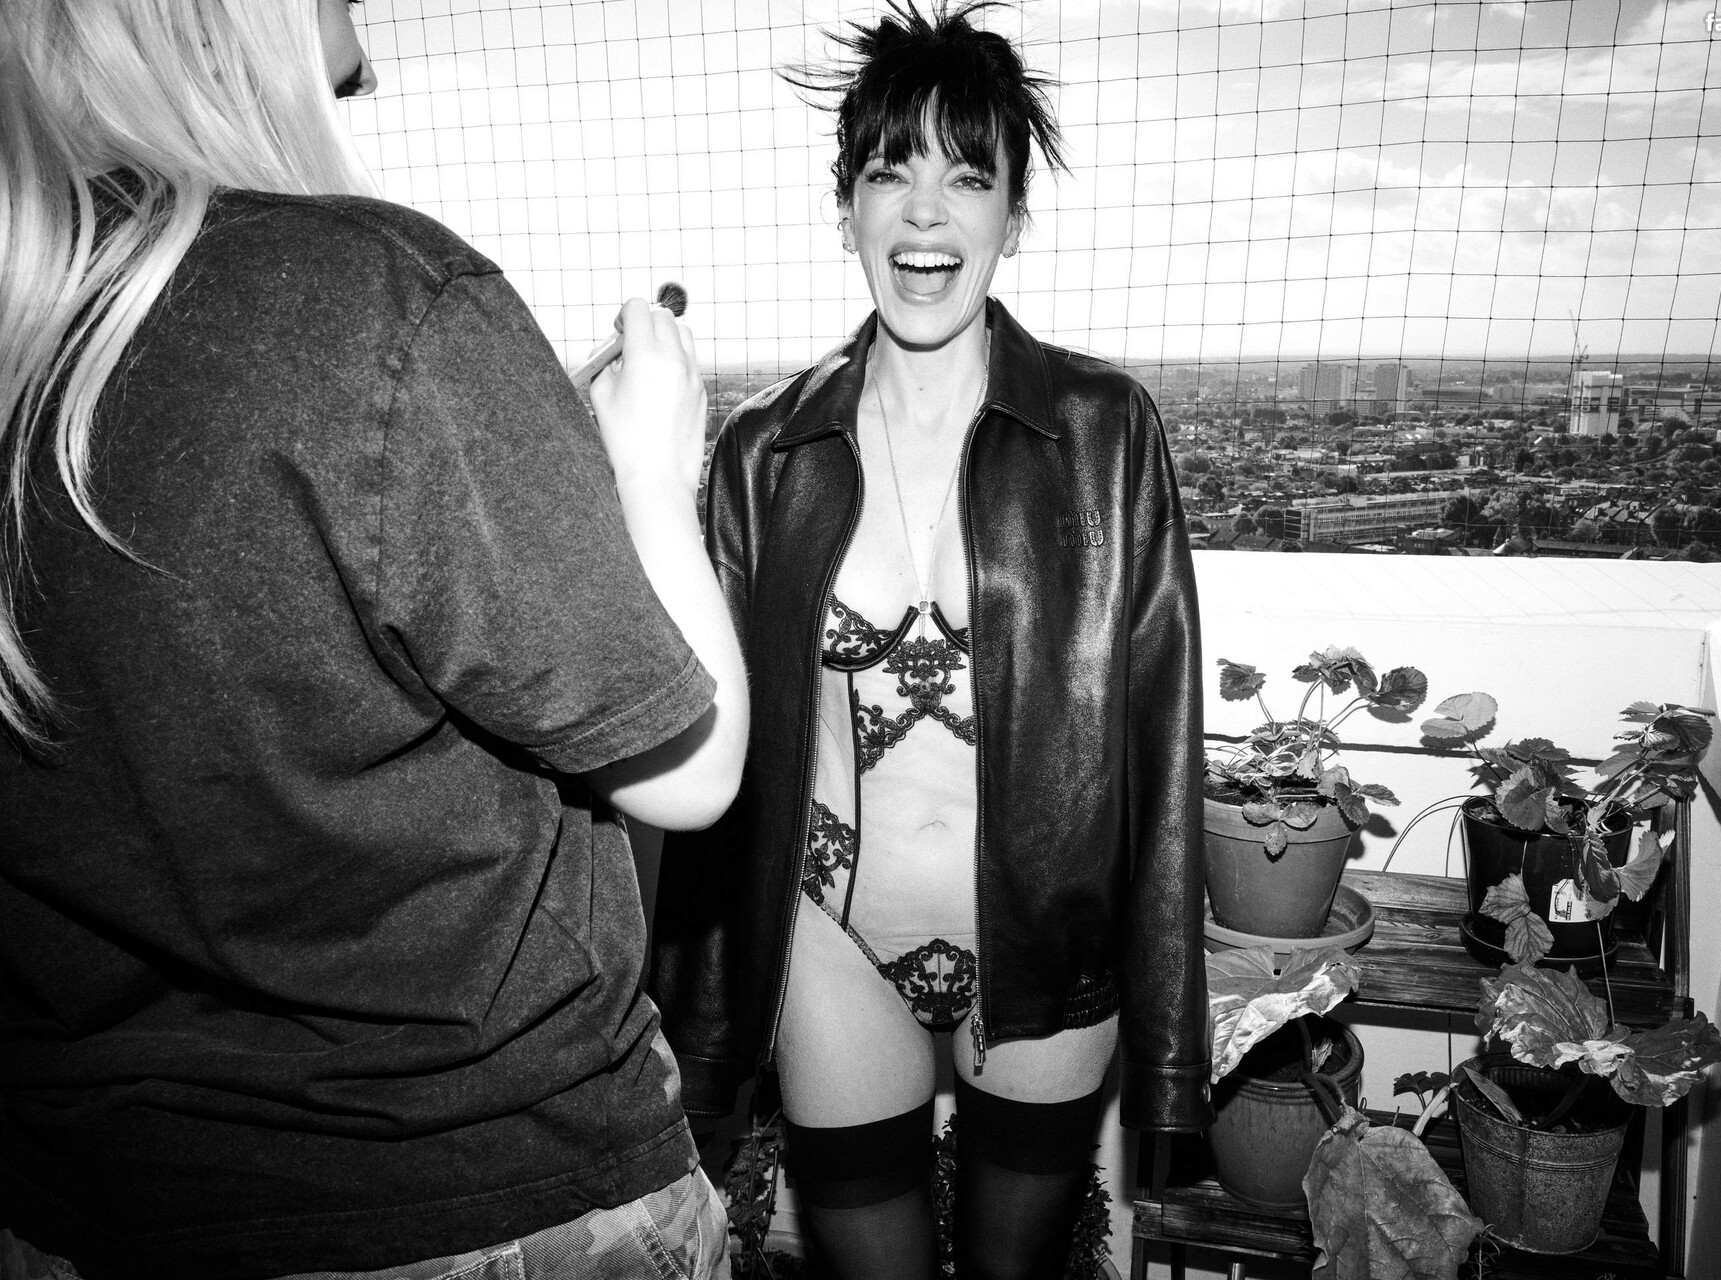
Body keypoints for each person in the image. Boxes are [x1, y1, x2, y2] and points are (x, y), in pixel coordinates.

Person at [0, 3, 747, 1277]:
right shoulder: (382, 297)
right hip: (479, 1188)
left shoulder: (31, 322)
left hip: (88, 1198)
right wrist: (649, 470)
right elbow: (692, 765)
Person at [647, 4, 1211, 1276]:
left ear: (1015, 213)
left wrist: (1174, 1045)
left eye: (968, 175)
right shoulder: (763, 450)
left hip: (1048, 958)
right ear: (844, 203)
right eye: (888, 170)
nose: (924, 213)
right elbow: (699, 746)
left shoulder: (1109, 431)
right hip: (832, 947)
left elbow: (1163, 739)